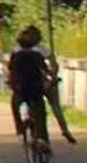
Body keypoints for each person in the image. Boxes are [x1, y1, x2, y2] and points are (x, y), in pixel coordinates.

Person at [6, 26, 67, 155]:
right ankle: (42, 139)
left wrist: (11, 82)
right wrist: (53, 78)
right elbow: (46, 70)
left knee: (15, 105)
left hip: (20, 89)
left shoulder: (15, 55)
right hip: (35, 88)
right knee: (40, 114)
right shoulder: (37, 55)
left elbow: (10, 70)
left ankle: (20, 129)